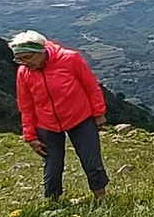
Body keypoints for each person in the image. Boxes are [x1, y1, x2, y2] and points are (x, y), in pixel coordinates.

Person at [10, 31, 111, 200]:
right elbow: (26, 105)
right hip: (47, 124)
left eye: (27, 57)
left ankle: (101, 199)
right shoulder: (24, 73)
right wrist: (30, 135)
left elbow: (91, 87)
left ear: (40, 52)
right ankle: (52, 204)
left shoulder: (70, 59)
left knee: (91, 162)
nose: (24, 63)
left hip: (80, 119)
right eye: (19, 59)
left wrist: (99, 114)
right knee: (52, 168)